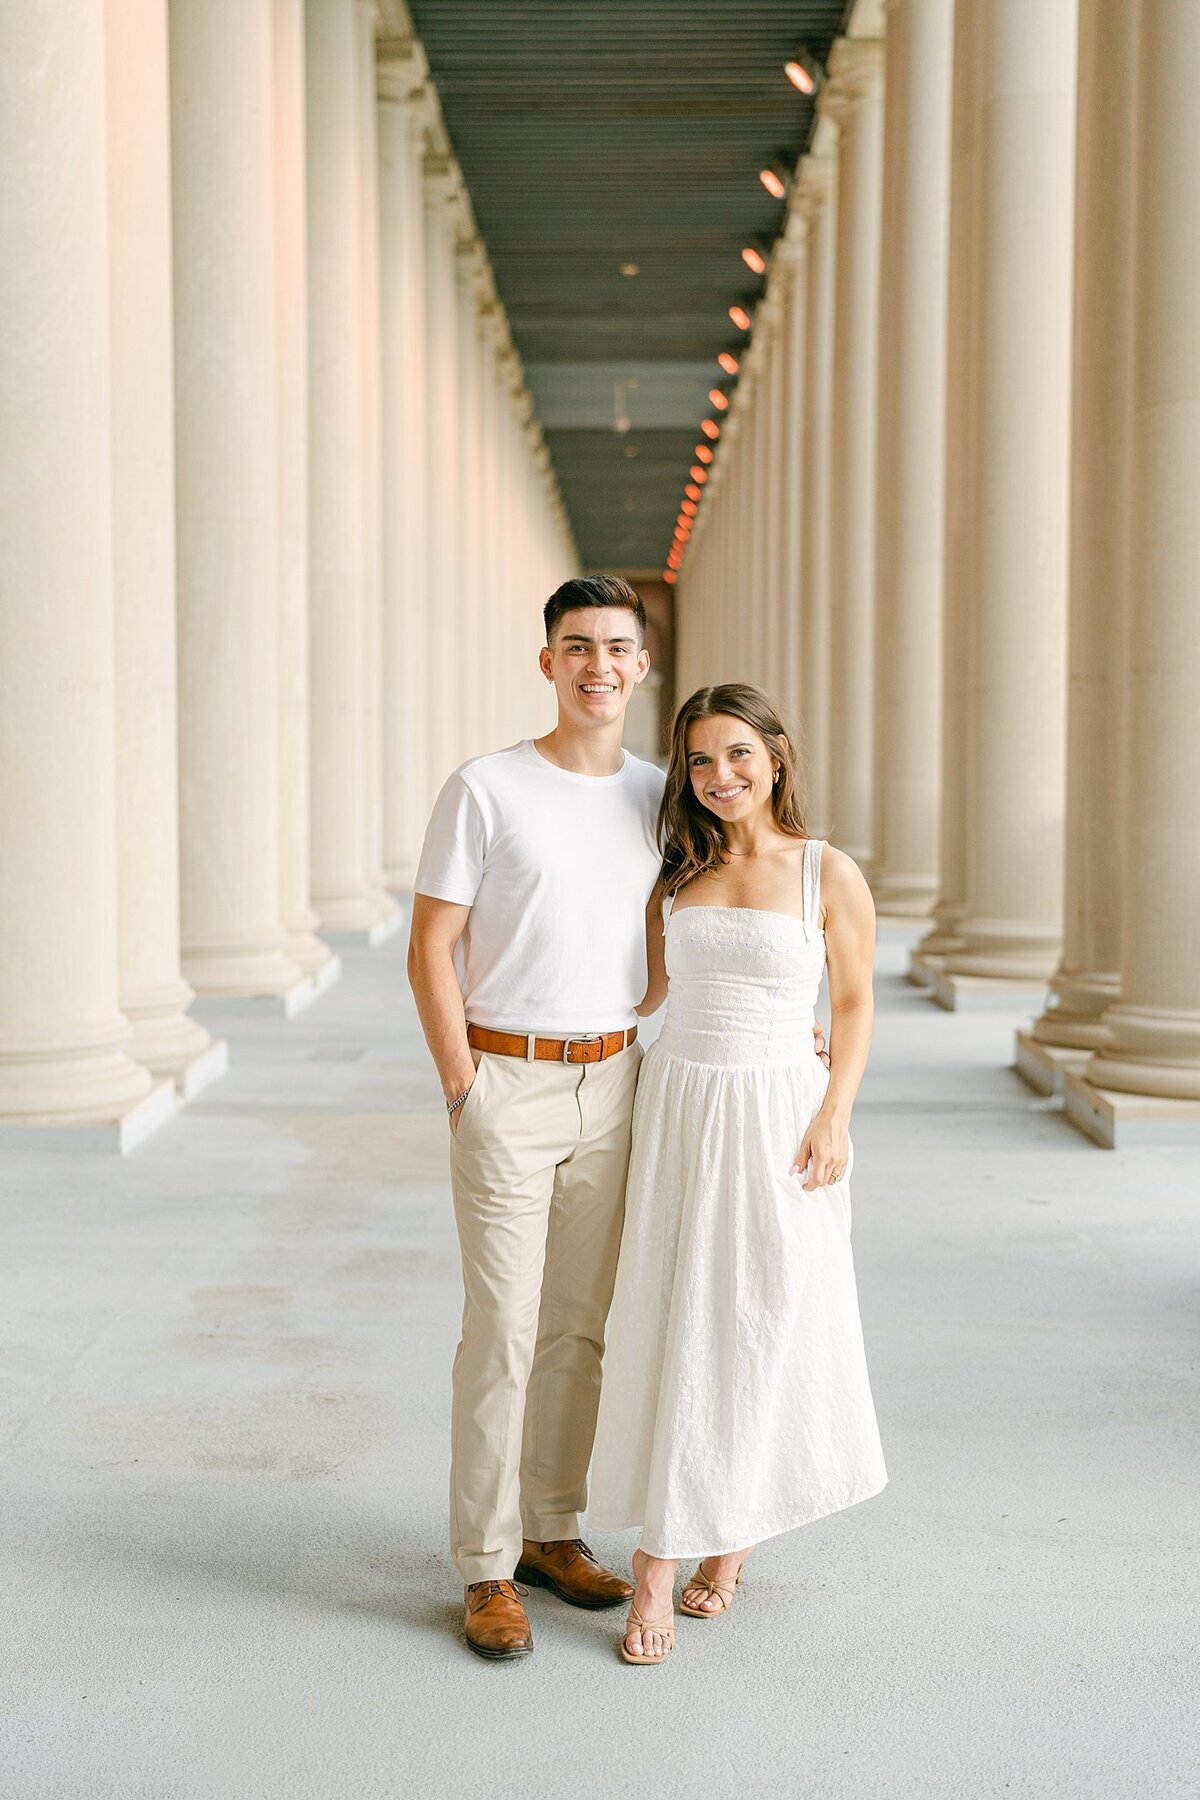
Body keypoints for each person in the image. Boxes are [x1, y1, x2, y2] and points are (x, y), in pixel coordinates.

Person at [589, 682, 887, 1666]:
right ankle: (657, 1565)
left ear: (777, 756)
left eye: (739, 755)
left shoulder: (825, 873)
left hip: (781, 1116)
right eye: (701, 761)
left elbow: (850, 1008)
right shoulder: (672, 878)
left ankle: (736, 1526)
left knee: (764, 1316)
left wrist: (835, 1112)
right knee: (679, 1315)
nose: (720, 777)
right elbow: (643, 1000)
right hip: (682, 1106)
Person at [406, 574, 661, 1660]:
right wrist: (463, 1082)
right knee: (501, 1330)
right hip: (504, 1080)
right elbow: (430, 946)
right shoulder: (486, 788)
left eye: (615, 646)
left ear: (641, 665)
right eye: (576, 645)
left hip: (615, 1078)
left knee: (578, 1327)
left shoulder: (660, 793)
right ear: (547, 661)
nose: (597, 664)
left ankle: (554, 1531)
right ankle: (482, 1566)